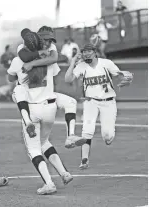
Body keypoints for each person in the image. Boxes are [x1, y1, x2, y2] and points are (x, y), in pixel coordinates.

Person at [8, 31, 73, 195]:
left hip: (32, 109)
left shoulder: (18, 60)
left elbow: (10, 78)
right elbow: (55, 67)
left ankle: (49, 183)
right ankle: (64, 173)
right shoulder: (49, 59)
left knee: (33, 150)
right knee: (44, 142)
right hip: (50, 107)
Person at [14, 26, 86, 149]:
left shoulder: (50, 48)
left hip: (46, 95)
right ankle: (28, 123)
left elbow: (54, 58)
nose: (48, 43)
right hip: (31, 97)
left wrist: (32, 63)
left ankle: (71, 136)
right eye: (46, 39)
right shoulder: (24, 46)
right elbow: (25, 57)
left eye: (51, 40)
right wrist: (38, 55)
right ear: (39, 37)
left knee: (71, 102)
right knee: (41, 144)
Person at [65, 44, 133, 170]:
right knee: (87, 131)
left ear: (95, 52)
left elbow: (119, 75)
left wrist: (125, 77)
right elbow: (68, 79)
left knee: (107, 135)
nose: (86, 54)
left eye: (89, 51)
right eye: (84, 52)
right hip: (91, 102)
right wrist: (73, 62)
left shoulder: (106, 63)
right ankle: (84, 160)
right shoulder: (81, 66)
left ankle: (109, 137)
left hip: (108, 102)